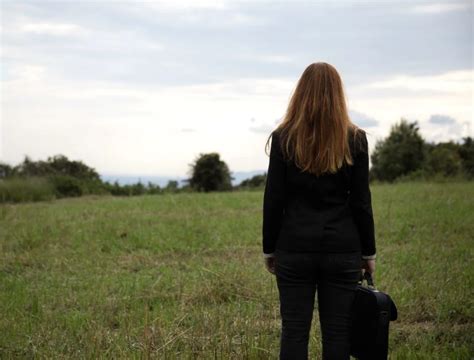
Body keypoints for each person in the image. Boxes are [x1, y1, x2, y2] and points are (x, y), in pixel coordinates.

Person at [262, 62, 377, 360]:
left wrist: (269, 249)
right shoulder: (355, 139)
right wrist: (369, 253)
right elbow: (361, 201)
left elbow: (274, 198)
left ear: (300, 94)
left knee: (294, 331)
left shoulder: (283, 138)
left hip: (294, 247)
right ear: (339, 95)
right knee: (338, 332)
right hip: (342, 248)